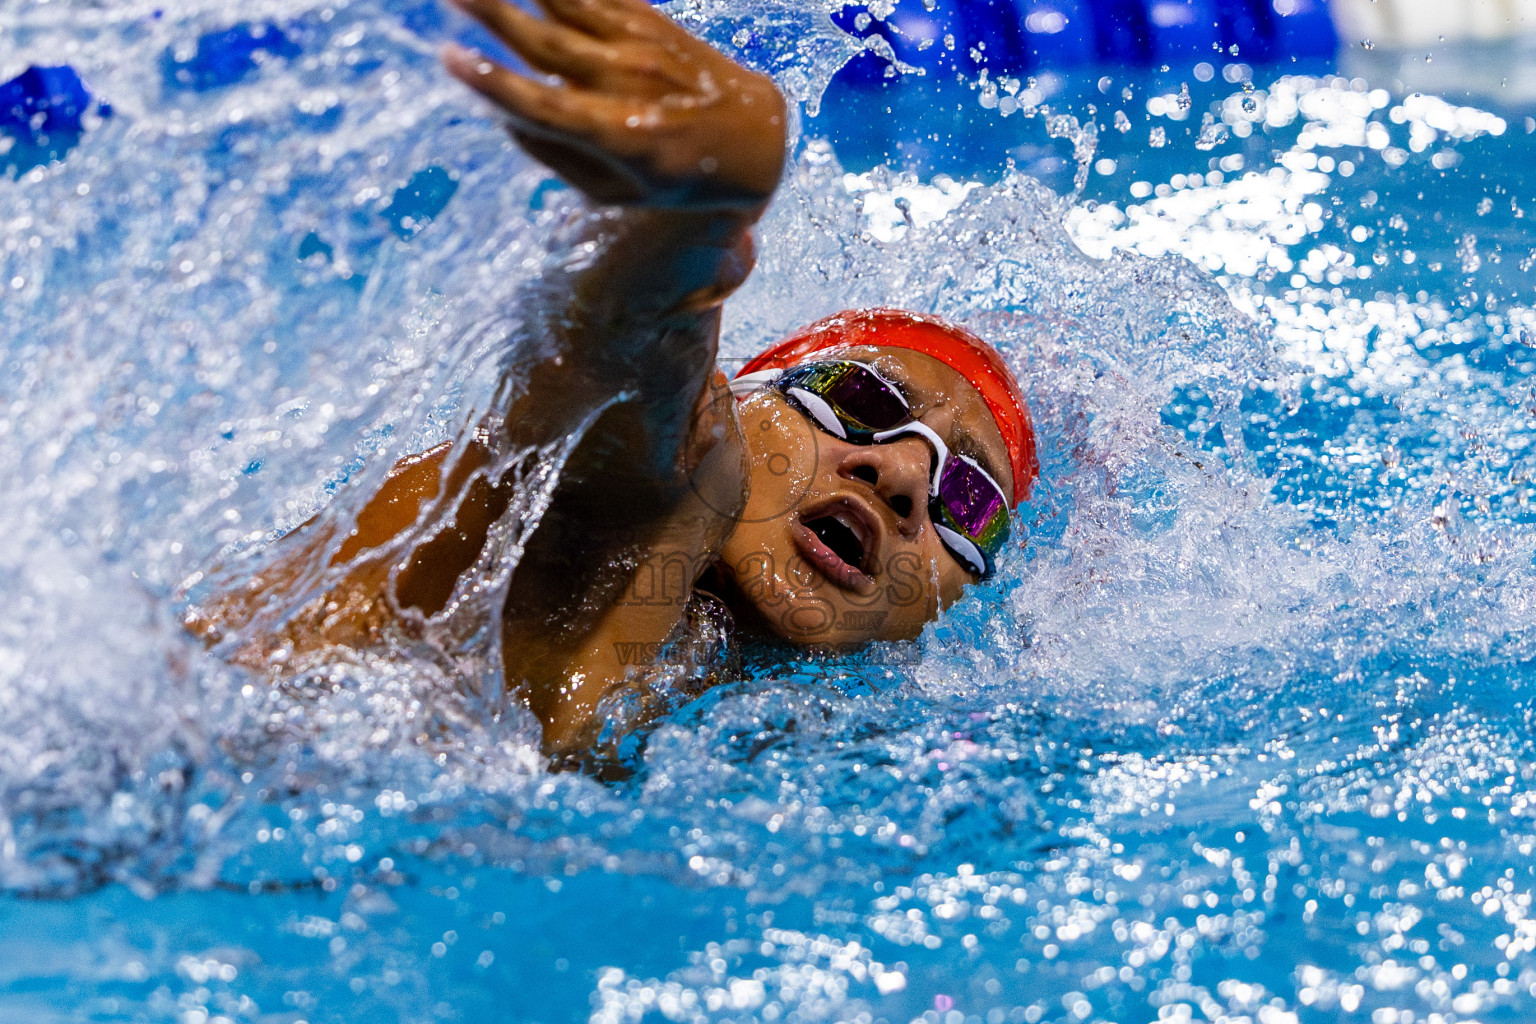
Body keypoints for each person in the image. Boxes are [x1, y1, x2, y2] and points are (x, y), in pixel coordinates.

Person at [189, 0, 1038, 759]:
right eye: (861, 400)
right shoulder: (684, 478)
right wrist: (697, 213)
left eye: (968, 502)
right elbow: (632, 368)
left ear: (950, 606)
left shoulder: (738, 687)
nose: (900, 475)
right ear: (748, 396)